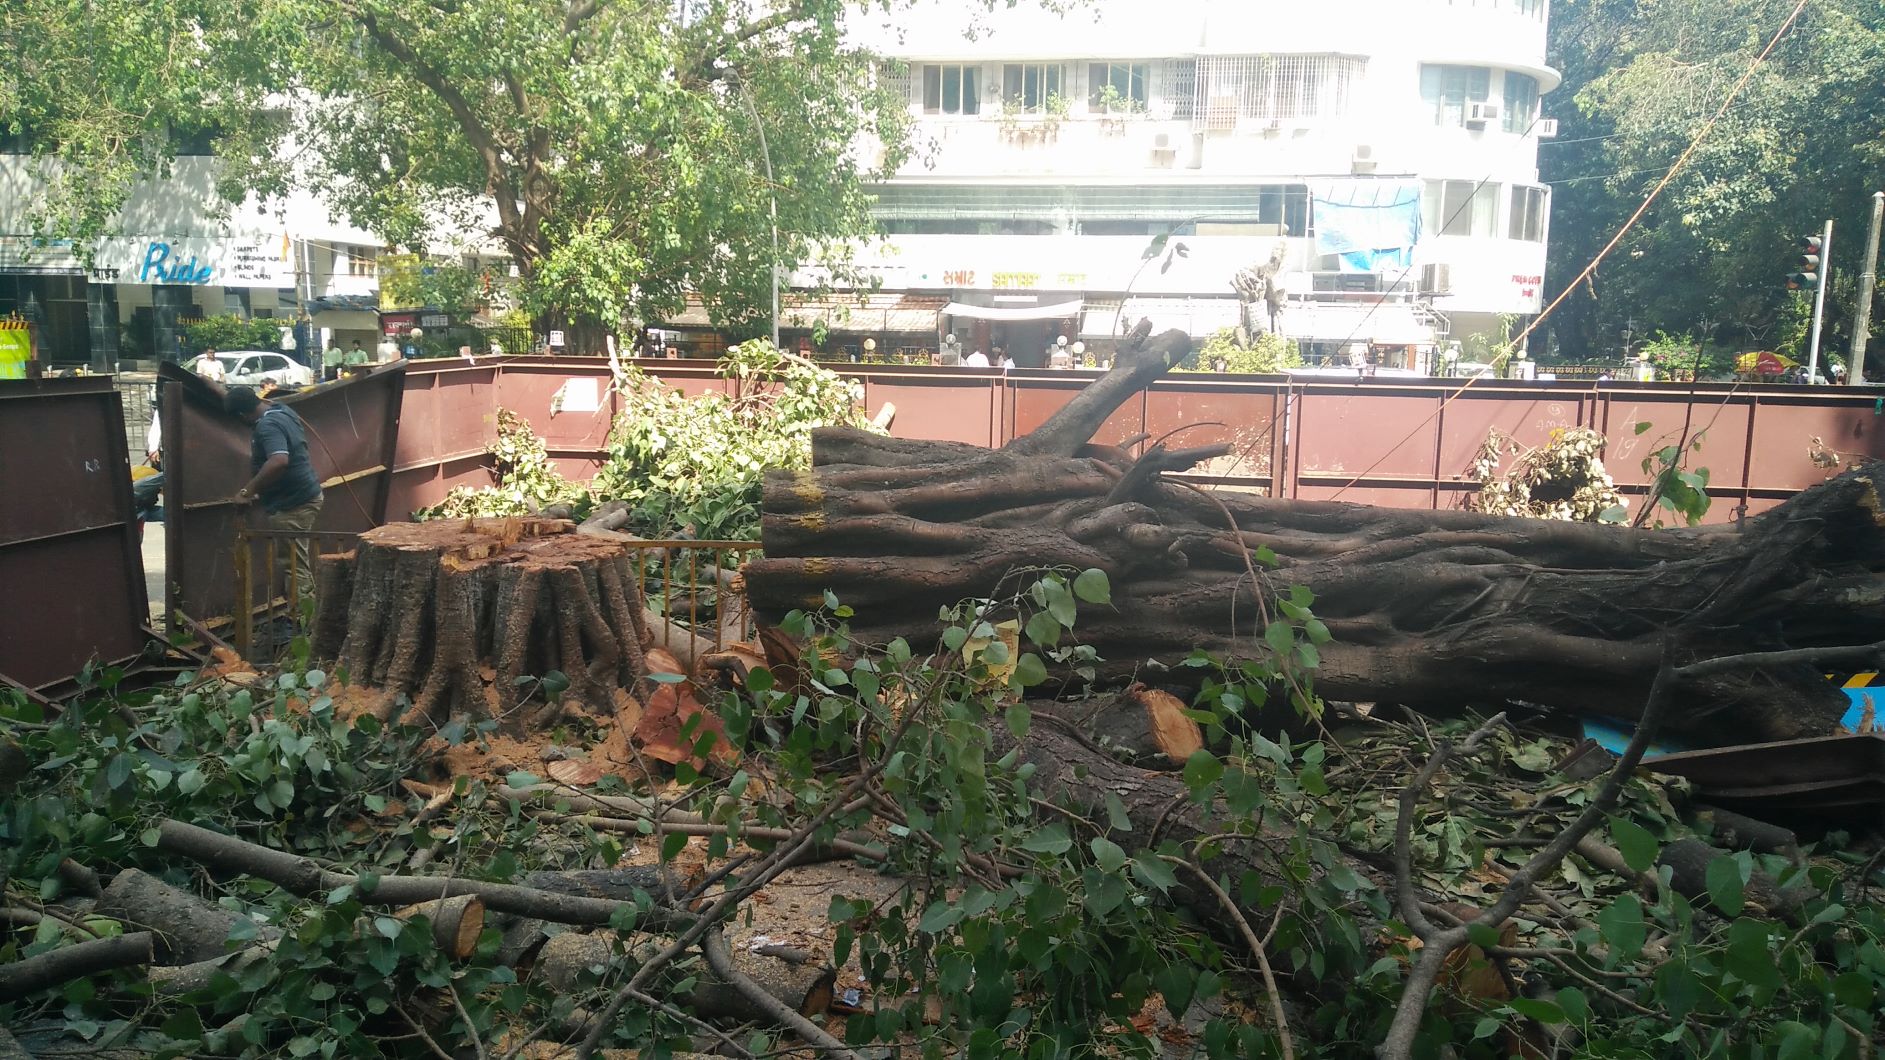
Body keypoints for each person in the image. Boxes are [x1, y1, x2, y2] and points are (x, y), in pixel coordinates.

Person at [225, 386, 324, 615]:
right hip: (304, 495)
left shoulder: (267, 426)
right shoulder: (279, 409)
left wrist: (246, 491)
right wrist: (212, 386)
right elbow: (241, 400)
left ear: (242, 415)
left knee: (294, 565)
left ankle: (304, 621)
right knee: (296, 560)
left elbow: (279, 460)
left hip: (292, 503)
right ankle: (304, 616)